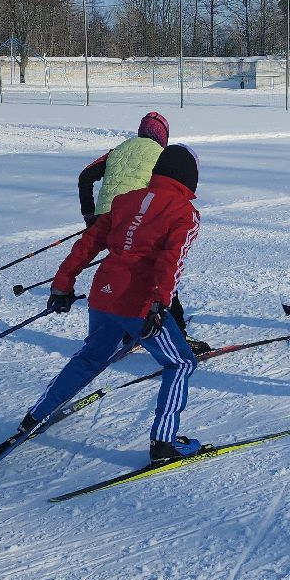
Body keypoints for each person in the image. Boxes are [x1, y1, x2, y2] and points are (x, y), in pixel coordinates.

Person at [28, 144, 206, 463]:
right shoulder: (185, 213)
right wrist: (160, 304)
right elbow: (171, 261)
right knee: (181, 363)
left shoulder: (126, 200)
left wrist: (62, 285)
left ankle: (35, 417)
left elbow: (87, 245)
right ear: (190, 178)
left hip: (103, 295)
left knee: (90, 357)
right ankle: (163, 443)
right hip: (139, 303)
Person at [76, 111, 209, 353]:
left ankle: (128, 328)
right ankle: (175, 334)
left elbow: (86, 177)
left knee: (120, 269)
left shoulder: (118, 149)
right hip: (136, 216)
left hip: (108, 218)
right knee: (157, 272)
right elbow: (159, 192)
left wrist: (90, 216)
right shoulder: (162, 156)